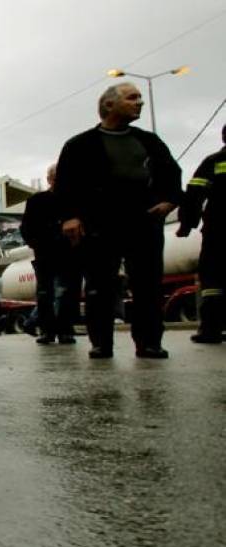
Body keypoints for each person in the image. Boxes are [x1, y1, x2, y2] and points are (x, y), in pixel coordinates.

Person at [57, 82, 183, 359]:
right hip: (101, 224)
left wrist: (170, 200)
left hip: (144, 221)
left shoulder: (149, 141)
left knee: (148, 284)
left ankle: (149, 342)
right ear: (109, 105)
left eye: (140, 97)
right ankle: (102, 343)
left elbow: (172, 172)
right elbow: (66, 184)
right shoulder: (80, 145)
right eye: (132, 98)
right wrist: (70, 217)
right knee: (100, 286)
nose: (140, 102)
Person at [20, 163, 81, 345]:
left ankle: (66, 330)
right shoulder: (36, 201)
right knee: (45, 294)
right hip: (45, 255)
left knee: (68, 293)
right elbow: (26, 228)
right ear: (49, 180)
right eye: (55, 178)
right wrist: (36, 244)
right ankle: (47, 331)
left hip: (69, 254)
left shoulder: (74, 200)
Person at [177, 124, 226, 344]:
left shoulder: (213, 162)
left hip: (219, 230)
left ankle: (211, 330)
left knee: (213, 281)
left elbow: (194, 194)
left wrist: (187, 224)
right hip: (218, 229)